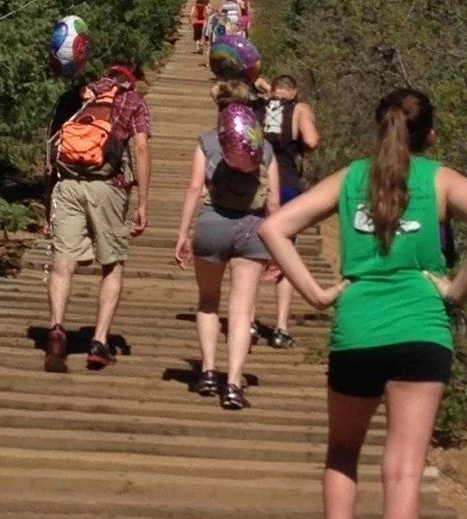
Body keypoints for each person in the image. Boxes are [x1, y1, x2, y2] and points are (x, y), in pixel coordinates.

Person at [258, 88, 467, 519]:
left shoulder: (350, 178)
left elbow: (273, 228)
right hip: (421, 330)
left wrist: (314, 293)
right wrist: (455, 286)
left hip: (355, 329)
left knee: (342, 451)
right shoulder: (441, 180)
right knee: (402, 471)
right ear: (428, 133)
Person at [174, 80, 280, 410]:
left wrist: (182, 233)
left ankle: (207, 372)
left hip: (213, 224)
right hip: (253, 228)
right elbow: (274, 201)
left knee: (208, 300)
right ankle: (233, 383)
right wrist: (278, 249)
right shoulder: (264, 147)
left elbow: (194, 189)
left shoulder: (207, 141)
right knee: (240, 311)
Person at [45, 63, 152, 374]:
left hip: (67, 185)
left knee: (63, 262)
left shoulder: (77, 96)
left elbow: (51, 152)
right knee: (112, 263)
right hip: (108, 188)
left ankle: (56, 328)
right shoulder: (132, 101)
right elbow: (141, 149)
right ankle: (100, 342)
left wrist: (47, 199)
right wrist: (143, 201)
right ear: (129, 81)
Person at [259, 75, 320, 348]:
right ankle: (281, 327)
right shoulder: (300, 109)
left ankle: (247, 321)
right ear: (294, 92)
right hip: (287, 186)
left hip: (258, 186)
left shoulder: (257, 107)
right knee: (285, 255)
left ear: (273, 89)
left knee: (253, 256)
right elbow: (312, 140)